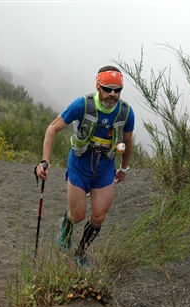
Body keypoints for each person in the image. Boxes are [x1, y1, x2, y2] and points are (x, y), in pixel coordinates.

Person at [35, 65, 135, 269]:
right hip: (79, 166)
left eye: (117, 90)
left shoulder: (126, 112)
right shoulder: (82, 105)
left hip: (105, 169)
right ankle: (66, 225)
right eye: (108, 88)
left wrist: (124, 168)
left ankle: (81, 252)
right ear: (98, 86)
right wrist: (45, 160)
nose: (113, 94)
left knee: (99, 216)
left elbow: (128, 142)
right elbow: (52, 128)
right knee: (78, 215)